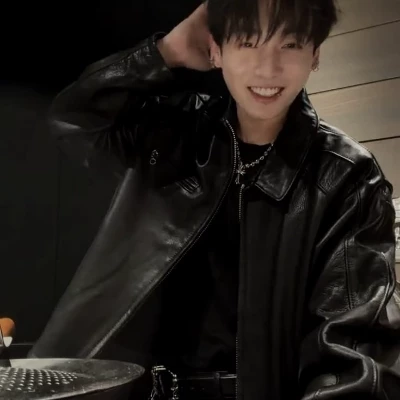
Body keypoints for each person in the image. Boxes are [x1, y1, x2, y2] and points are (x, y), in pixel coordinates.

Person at [29, 0, 400, 399]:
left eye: (291, 44)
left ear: (315, 55)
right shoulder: (173, 137)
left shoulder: (347, 177)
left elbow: (351, 355)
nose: (267, 68)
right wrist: (165, 53)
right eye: (248, 42)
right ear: (216, 50)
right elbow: (75, 118)